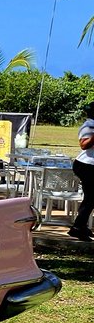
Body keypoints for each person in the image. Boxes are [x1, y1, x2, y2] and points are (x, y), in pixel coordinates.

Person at [69, 103, 94, 241]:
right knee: (91, 198)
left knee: (90, 198)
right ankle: (77, 227)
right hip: (86, 165)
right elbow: (84, 145)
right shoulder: (88, 126)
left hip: (90, 165)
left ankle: (81, 225)